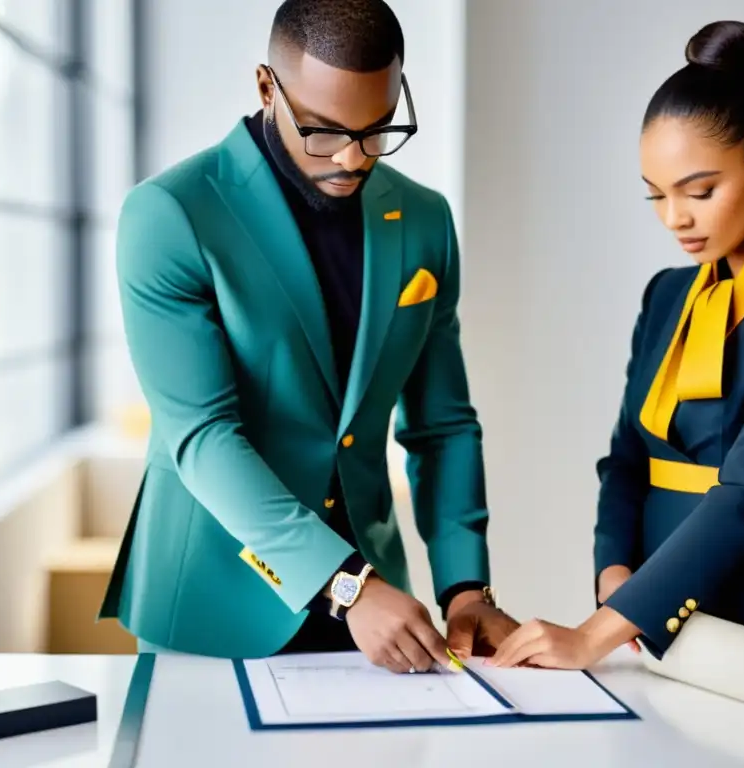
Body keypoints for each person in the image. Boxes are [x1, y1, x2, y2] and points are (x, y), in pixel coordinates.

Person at [98, 0, 517, 672]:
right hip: (212, 604)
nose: (353, 158)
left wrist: (466, 589)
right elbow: (202, 437)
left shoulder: (425, 220)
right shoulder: (171, 215)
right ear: (268, 88)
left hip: (380, 611)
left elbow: (442, 426)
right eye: (322, 131)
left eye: (377, 129)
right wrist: (347, 585)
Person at [490, 20, 744, 669]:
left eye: (700, 191)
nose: (676, 218)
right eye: (657, 195)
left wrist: (597, 632)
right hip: (647, 626)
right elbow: (625, 459)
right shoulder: (667, 293)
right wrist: (615, 576)